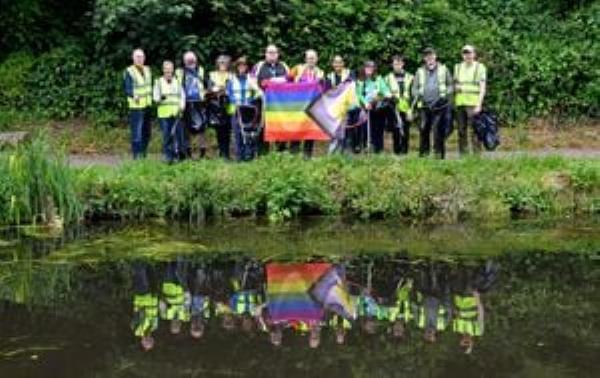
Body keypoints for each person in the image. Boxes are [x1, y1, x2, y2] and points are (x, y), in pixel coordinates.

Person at [412, 48, 453, 159]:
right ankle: (424, 155)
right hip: (424, 106)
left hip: (439, 106)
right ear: (424, 58)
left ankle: (439, 155)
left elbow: (450, 85)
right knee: (423, 130)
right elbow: (414, 88)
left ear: (435, 56)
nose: (429, 58)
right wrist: (417, 94)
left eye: (431, 55)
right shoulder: (419, 71)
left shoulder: (444, 69)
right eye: (427, 56)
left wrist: (445, 95)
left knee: (438, 131)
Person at [289, 49, 325, 158]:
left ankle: (307, 155)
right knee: (296, 129)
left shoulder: (320, 72)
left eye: (313, 58)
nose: (311, 60)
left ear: (317, 59)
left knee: (310, 130)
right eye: (309, 58)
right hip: (298, 105)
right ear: (305, 59)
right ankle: (294, 154)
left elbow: (322, 89)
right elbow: (287, 80)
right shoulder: (298, 69)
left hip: (312, 107)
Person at [254, 44, 289, 153]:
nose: (272, 55)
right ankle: (263, 154)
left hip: (280, 104)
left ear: (278, 54)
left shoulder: (284, 66)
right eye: (269, 52)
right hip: (264, 102)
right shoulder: (259, 66)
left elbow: (290, 80)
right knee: (263, 127)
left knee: (281, 126)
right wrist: (258, 90)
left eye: (274, 52)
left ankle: (280, 152)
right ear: (265, 54)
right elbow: (251, 80)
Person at [226, 56, 262, 161]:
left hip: (248, 110)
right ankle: (239, 156)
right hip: (236, 110)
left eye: (244, 65)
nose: (242, 67)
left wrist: (251, 100)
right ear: (236, 67)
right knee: (237, 133)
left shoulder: (251, 78)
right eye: (240, 65)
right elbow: (229, 93)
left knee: (248, 133)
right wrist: (235, 102)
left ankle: (249, 155)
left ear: (247, 67)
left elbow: (256, 93)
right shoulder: (231, 79)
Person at [454, 45, 487, 155]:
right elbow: (455, 84)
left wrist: (479, 104)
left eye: (469, 53)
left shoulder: (480, 67)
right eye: (465, 53)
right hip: (460, 103)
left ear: (474, 54)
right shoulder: (457, 67)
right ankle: (463, 155)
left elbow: (482, 87)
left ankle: (477, 155)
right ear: (462, 55)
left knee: (475, 130)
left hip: (473, 103)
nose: (467, 55)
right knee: (461, 131)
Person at [355, 61, 392, 153]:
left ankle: (378, 150)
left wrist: (387, 94)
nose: (369, 69)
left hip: (378, 109)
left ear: (374, 69)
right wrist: (365, 103)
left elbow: (385, 90)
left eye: (372, 67)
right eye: (367, 67)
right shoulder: (360, 80)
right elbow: (358, 94)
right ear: (364, 68)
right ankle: (365, 148)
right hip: (366, 108)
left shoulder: (379, 79)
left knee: (378, 130)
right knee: (365, 130)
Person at [153, 61, 186, 163]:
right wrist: (160, 99)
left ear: (172, 70)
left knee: (178, 136)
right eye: (166, 69)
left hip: (176, 113)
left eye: (170, 68)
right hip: (164, 114)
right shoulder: (158, 82)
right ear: (163, 70)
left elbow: (182, 96)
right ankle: (168, 157)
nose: (168, 71)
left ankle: (178, 156)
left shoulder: (177, 81)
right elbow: (155, 98)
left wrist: (182, 106)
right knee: (167, 136)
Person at [177, 51, 207, 159]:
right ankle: (188, 152)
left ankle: (202, 151)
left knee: (201, 128)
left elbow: (206, 84)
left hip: (199, 102)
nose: (191, 61)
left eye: (192, 59)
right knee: (187, 129)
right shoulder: (180, 72)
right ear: (184, 61)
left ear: (196, 60)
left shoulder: (201, 70)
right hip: (186, 103)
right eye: (188, 59)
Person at [123, 49, 152, 159]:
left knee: (147, 133)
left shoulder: (148, 70)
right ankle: (137, 156)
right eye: (137, 57)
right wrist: (132, 95)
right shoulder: (129, 71)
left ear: (144, 58)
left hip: (147, 105)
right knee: (137, 134)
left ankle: (144, 154)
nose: (140, 59)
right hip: (136, 106)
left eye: (141, 57)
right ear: (133, 58)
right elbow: (127, 88)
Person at [384, 55, 414, 154]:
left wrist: (411, 109)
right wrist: (390, 98)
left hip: (406, 107)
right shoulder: (388, 78)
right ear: (392, 65)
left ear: (403, 64)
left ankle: (405, 151)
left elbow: (414, 94)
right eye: (395, 64)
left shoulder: (410, 77)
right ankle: (396, 152)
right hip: (394, 107)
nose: (397, 66)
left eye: (399, 63)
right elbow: (384, 92)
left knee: (406, 130)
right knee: (396, 130)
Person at [326, 55, 354, 154]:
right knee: (335, 130)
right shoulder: (329, 76)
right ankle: (332, 153)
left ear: (343, 64)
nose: (338, 64)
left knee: (346, 130)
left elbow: (352, 87)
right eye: (336, 62)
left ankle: (346, 153)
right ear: (333, 64)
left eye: (340, 62)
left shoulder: (350, 73)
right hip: (335, 107)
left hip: (347, 106)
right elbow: (327, 92)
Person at [208, 55, 234, 159]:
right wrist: (218, 89)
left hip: (228, 106)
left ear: (228, 64)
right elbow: (210, 89)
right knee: (219, 131)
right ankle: (221, 153)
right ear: (217, 64)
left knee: (227, 130)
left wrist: (221, 89)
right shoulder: (212, 74)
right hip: (216, 106)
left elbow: (232, 89)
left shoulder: (232, 75)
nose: (222, 64)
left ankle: (226, 154)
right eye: (220, 62)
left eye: (224, 62)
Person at [131, 263, 159, 351]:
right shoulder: (154, 326)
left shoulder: (136, 329)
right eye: (150, 340)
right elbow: (156, 312)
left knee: (140, 274)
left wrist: (142, 312)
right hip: (153, 297)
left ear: (142, 340)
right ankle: (147, 260)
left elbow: (137, 312)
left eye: (146, 341)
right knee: (151, 274)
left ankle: (138, 259)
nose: (148, 339)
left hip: (142, 297)